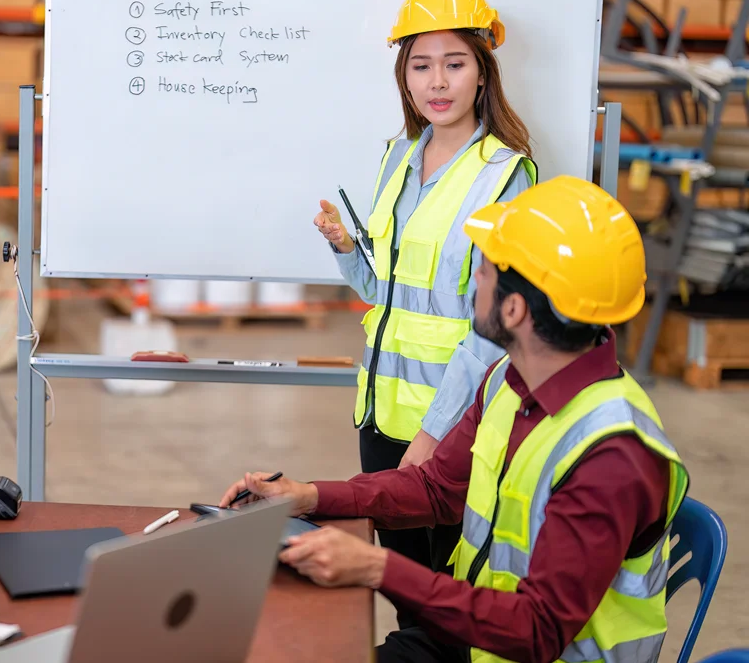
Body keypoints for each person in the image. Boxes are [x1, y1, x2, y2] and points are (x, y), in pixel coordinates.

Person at [226, 176, 690, 663]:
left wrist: (378, 568)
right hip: (475, 640)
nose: (473, 285)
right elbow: (437, 488)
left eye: (482, 272)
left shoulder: (612, 456)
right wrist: (310, 496)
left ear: (513, 309)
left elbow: (538, 631)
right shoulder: (508, 380)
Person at [312, 0, 538, 591]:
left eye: (455, 63)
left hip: (451, 427)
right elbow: (384, 293)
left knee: (444, 594)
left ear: (483, 73)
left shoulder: (504, 178)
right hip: (380, 416)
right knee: (400, 586)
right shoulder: (397, 157)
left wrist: (436, 434)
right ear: (404, 78)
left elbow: (495, 329)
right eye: (421, 66)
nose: (436, 83)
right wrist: (345, 250)